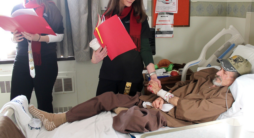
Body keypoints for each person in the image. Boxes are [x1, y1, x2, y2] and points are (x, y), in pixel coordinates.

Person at [28, 55, 252, 133]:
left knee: (131, 117)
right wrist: (158, 96)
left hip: (171, 117)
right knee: (108, 96)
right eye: (223, 67)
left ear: (237, 80)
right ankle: (57, 119)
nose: (220, 72)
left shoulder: (224, 99)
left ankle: (122, 111)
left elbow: (190, 111)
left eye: (227, 72)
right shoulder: (211, 76)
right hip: (158, 102)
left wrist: (162, 95)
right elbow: (188, 83)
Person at [91, 0, 161, 96]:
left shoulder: (140, 18)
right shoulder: (106, 16)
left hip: (131, 77)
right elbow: (99, 45)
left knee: (127, 113)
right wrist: (95, 58)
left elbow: (145, 49)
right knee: (102, 111)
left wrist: (153, 76)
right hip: (108, 76)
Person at [10, 0, 64, 113]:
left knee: (44, 103)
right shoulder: (17, 8)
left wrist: (39, 38)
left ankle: (47, 134)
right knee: (16, 103)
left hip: (45, 61)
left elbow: (60, 36)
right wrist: (13, 38)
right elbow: (13, 33)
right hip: (22, 60)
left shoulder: (50, 8)